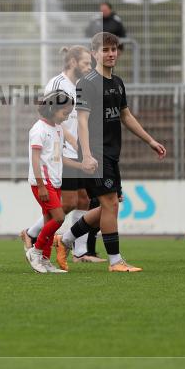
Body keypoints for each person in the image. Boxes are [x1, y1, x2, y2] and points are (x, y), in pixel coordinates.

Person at [57, 32, 166, 272]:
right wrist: (86, 154)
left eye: (114, 49)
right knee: (108, 203)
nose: (111, 54)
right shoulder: (87, 82)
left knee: (110, 204)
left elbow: (125, 116)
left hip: (112, 153)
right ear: (94, 53)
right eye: (105, 50)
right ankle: (115, 261)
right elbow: (82, 121)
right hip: (95, 152)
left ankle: (64, 240)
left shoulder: (117, 83)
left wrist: (150, 140)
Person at [22, 46, 104, 266]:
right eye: (86, 63)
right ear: (72, 62)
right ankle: (33, 235)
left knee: (83, 200)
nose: (89, 67)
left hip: (73, 153)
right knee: (64, 206)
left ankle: (78, 250)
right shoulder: (58, 84)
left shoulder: (80, 86)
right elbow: (54, 120)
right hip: (62, 154)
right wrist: (75, 145)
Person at [24, 90, 79, 274]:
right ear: (53, 109)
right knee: (59, 217)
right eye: (65, 113)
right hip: (43, 183)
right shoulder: (39, 130)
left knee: (49, 219)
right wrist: (41, 185)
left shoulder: (56, 128)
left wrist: (81, 167)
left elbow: (58, 157)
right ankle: (36, 251)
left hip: (55, 182)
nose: (66, 117)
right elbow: (36, 159)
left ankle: (45, 260)